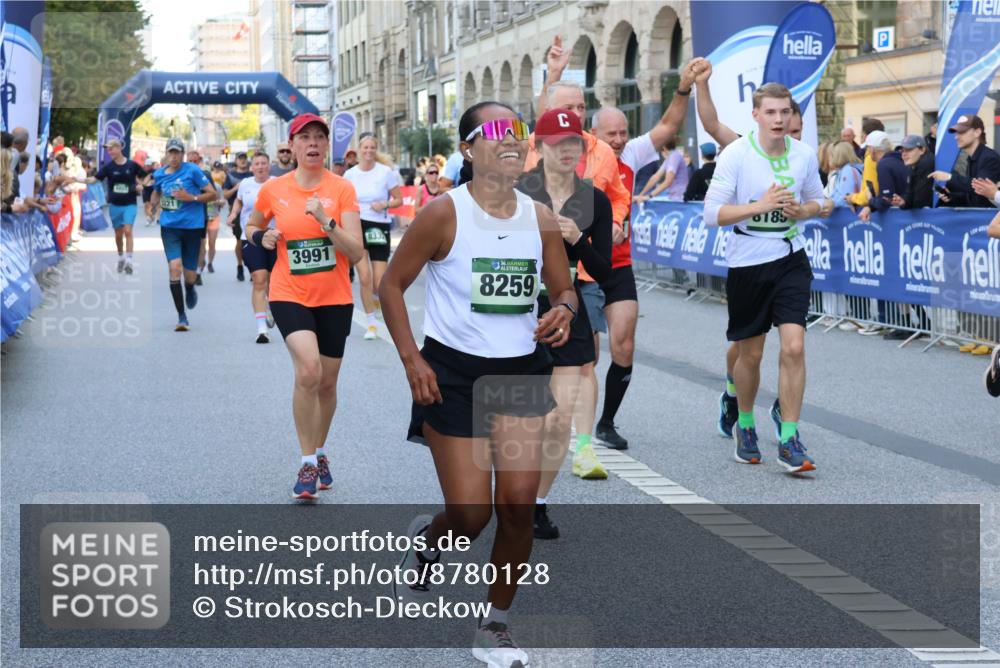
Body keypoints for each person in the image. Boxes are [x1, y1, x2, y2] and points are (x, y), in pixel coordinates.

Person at [379, 101, 575, 668]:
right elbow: (391, 286)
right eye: (496, 131)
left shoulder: (540, 217)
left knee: (517, 507)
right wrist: (413, 361)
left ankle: (494, 625)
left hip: (520, 372)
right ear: (468, 149)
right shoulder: (444, 214)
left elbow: (563, 287)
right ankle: (429, 540)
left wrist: (563, 309)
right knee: (470, 517)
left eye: (518, 130)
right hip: (454, 375)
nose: (511, 139)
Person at [703, 82, 824, 474]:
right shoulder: (737, 154)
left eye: (784, 112)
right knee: (750, 354)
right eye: (770, 112)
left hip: (791, 258)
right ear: (756, 115)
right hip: (748, 261)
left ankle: (789, 438)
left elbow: (821, 200)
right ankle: (746, 423)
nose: (778, 119)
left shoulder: (803, 154)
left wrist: (803, 211)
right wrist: (761, 206)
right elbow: (712, 214)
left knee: (794, 347)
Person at [245, 113, 364, 499]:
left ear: (327, 146)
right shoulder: (274, 189)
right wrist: (262, 237)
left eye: (319, 137)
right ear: (292, 146)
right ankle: (307, 461)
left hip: (335, 297)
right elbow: (251, 226)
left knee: (327, 383)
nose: (312, 143)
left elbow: (356, 251)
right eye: (305, 137)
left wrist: (327, 221)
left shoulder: (342, 189)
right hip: (288, 292)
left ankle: (321, 450)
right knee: (309, 370)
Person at [516, 108, 613, 539]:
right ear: (539, 147)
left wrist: (579, 240)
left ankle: (536, 505)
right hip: (517, 308)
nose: (567, 150)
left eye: (574, 142)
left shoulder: (595, 200)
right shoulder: (516, 191)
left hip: (567, 310)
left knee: (558, 419)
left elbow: (605, 270)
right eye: (557, 144)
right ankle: (509, 492)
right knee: (520, 417)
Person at [147, 138, 217, 331]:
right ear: (166, 154)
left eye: (177, 152)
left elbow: (213, 194)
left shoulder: (193, 171)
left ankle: (190, 287)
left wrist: (191, 197)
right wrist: (153, 205)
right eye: (171, 152)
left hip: (192, 228)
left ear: (182, 154)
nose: (174, 156)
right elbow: (156, 191)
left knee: (190, 275)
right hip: (169, 228)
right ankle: (181, 316)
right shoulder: (159, 174)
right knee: (174, 268)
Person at [343, 132, 403, 339]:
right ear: (359, 150)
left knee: (379, 282)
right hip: (356, 224)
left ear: (376, 150)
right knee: (364, 277)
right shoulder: (350, 175)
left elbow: (399, 199)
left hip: (378, 226)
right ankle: (371, 324)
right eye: (365, 147)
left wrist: (384, 204)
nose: (368, 151)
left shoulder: (385, 172)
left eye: (372, 148)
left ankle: (375, 302)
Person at [76, 138, 146, 274]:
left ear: (119, 148)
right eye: (108, 150)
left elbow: (145, 177)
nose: (110, 152)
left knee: (128, 231)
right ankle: (121, 257)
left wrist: (141, 185)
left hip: (130, 204)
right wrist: (78, 179)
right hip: (115, 205)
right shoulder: (109, 167)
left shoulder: (132, 165)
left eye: (111, 149)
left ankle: (129, 261)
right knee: (118, 235)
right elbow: (94, 179)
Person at [229, 153, 276, 343]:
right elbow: (239, 200)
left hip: (274, 237)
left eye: (264, 163)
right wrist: (233, 214)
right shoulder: (246, 184)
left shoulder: (277, 183)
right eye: (257, 163)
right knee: (259, 279)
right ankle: (262, 329)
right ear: (252, 167)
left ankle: (270, 304)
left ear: (269, 166)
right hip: (251, 237)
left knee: (272, 281)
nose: (260, 166)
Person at [930, 115, 1000, 208]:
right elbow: (973, 197)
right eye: (956, 133)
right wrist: (951, 197)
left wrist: (949, 177)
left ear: (977, 132)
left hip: (989, 216)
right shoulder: (973, 158)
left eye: (962, 132)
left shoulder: (989, 157)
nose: (956, 137)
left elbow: (980, 188)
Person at [858, 132, 908, 220]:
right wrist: (870, 207)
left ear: (873, 149)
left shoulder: (883, 164)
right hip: (907, 215)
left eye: (868, 148)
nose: (867, 152)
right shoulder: (899, 159)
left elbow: (886, 200)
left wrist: (870, 199)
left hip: (897, 219)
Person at [224, 152, 255, 281]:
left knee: (254, 240)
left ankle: (254, 268)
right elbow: (225, 195)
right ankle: (240, 266)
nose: (242, 161)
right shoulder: (231, 176)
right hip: (236, 211)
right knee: (240, 241)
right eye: (240, 158)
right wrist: (236, 187)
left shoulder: (252, 174)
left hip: (252, 211)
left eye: (244, 158)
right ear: (236, 161)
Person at [893, 135, 934, 209]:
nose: (904, 154)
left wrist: (907, 203)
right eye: (902, 151)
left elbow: (920, 201)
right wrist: (903, 202)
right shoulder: (912, 165)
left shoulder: (926, 163)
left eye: (908, 150)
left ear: (922, 150)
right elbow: (911, 195)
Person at [824, 140, 863, 208]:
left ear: (837, 155)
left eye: (830, 155)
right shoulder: (843, 170)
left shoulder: (847, 171)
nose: (828, 158)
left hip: (846, 212)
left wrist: (830, 203)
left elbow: (846, 198)